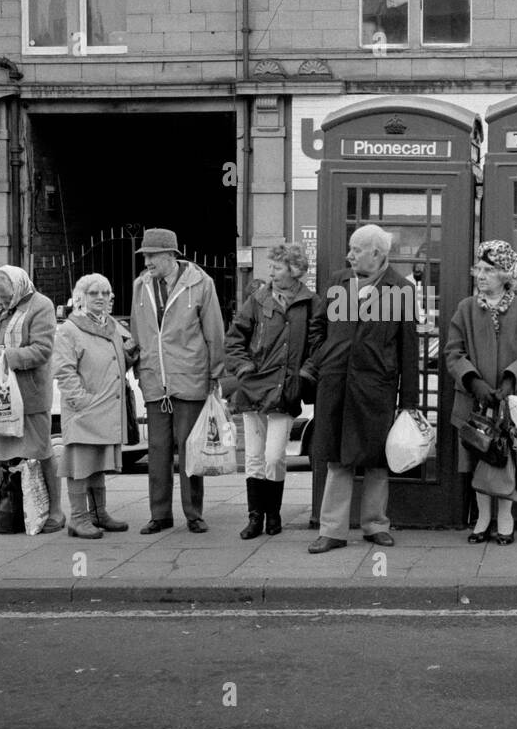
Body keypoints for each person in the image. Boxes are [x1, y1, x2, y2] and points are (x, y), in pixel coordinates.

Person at [300, 224, 420, 553]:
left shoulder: (401, 289)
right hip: (336, 382)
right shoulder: (339, 281)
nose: (348, 255)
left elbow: (409, 349)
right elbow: (318, 325)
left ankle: (375, 525)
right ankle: (332, 531)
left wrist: (409, 402)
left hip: (376, 386)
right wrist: (323, 356)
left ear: (377, 254)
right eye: (350, 249)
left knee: (377, 460)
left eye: (356, 249)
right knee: (337, 459)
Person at [445, 240, 517, 545]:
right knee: (478, 456)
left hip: (510, 401)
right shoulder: (465, 309)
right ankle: (482, 518)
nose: (481, 275)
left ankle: (505, 517)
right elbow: (453, 351)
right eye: (478, 269)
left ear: (506, 274)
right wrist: (472, 381)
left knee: (506, 459)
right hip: (473, 399)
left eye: (489, 270)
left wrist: (510, 381)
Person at [225, 243, 324, 540]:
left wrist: (305, 374)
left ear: (294, 271)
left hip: (285, 388)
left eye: (277, 267)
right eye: (271, 267)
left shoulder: (311, 303)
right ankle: (256, 517)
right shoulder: (258, 299)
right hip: (255, 385)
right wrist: (243, 368)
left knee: (273, 456)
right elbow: (234, 339)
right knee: (254, 456)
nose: (271, 272)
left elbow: (318, 346)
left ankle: (274, 513)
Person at [130, 228, 226, 534]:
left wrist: (215, 373)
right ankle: (160, 515)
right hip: (155, 381)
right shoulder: (140, 286)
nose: (147, 261)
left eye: (152, 255)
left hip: (191, 377)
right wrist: (137, 365)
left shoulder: (201, 283)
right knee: (157, 451)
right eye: (145, 255)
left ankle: (193, 513)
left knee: (190, 450)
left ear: (171, 255)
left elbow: (214, 331)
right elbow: (138, 331)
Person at [0, 265, 64, 533]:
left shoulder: (41, 306)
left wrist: (5, 355)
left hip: (29, 394)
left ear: (19, 288)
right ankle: (4, 510)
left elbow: (42, 350)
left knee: (40, 453)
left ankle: (54, 511)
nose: (3, 303)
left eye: (7, 299)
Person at [53, 273, 139, 540]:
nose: (101, 298)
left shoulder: (112, 326)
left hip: (106, 409)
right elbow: (64, 372)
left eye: (105, 293)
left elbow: (119, 358)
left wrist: (130, 354)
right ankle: (79, 519)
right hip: (85, 410)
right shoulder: (69, 329)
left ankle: (99, 513)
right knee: (80, 465)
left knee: (97, 463)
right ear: (81, 298)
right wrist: (82, 402)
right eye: (93, 293)